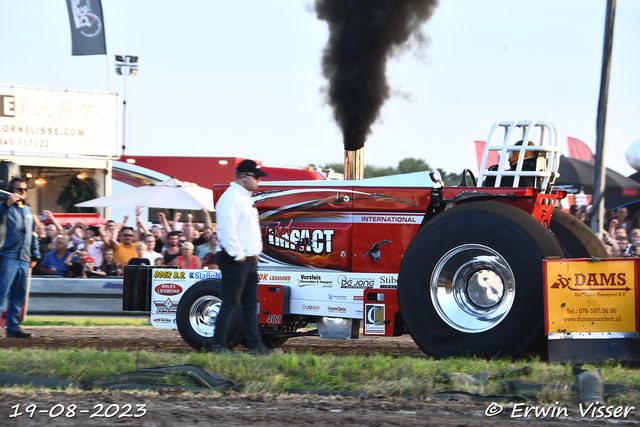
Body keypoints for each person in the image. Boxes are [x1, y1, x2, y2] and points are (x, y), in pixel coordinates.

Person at [210, 159, 274, 355]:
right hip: (237, 260)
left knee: (249, 305)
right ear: (243, 177)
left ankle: (256, 346)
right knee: (231, 304)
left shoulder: (243, 198)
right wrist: (238, 255)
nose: (258, 181)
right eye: (256, 177)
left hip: (248, 260)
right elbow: (226, 231)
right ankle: (218, 345)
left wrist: (253, 255)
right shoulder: (231, 198)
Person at [0, 177, 40, 338]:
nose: (22, 193)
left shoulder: (27, 209)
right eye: (19, 190)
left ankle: (12, 327)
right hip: (8, 256)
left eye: (24, 190)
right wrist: (6, 204)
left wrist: (35, 254)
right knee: (2, 292)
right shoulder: (4, 207)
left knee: (18, 295)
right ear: (11, 191)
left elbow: (33, 234)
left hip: (24, 257)